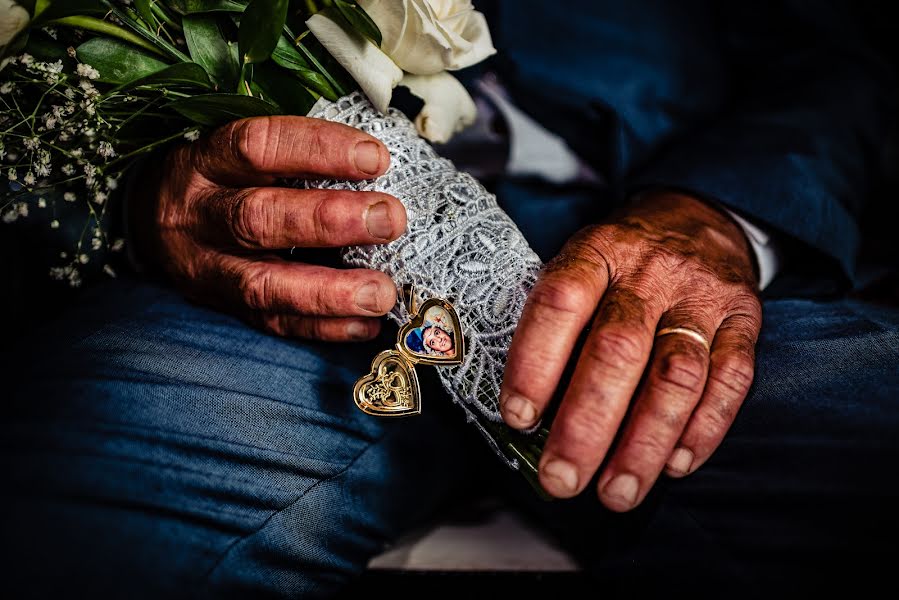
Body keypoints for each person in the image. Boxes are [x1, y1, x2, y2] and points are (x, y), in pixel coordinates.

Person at [2, 0, 898, 597]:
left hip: (666, 243)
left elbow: (842, 60)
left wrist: (719, 214)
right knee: (84, 503)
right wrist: (140, 199)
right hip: (280, 290)